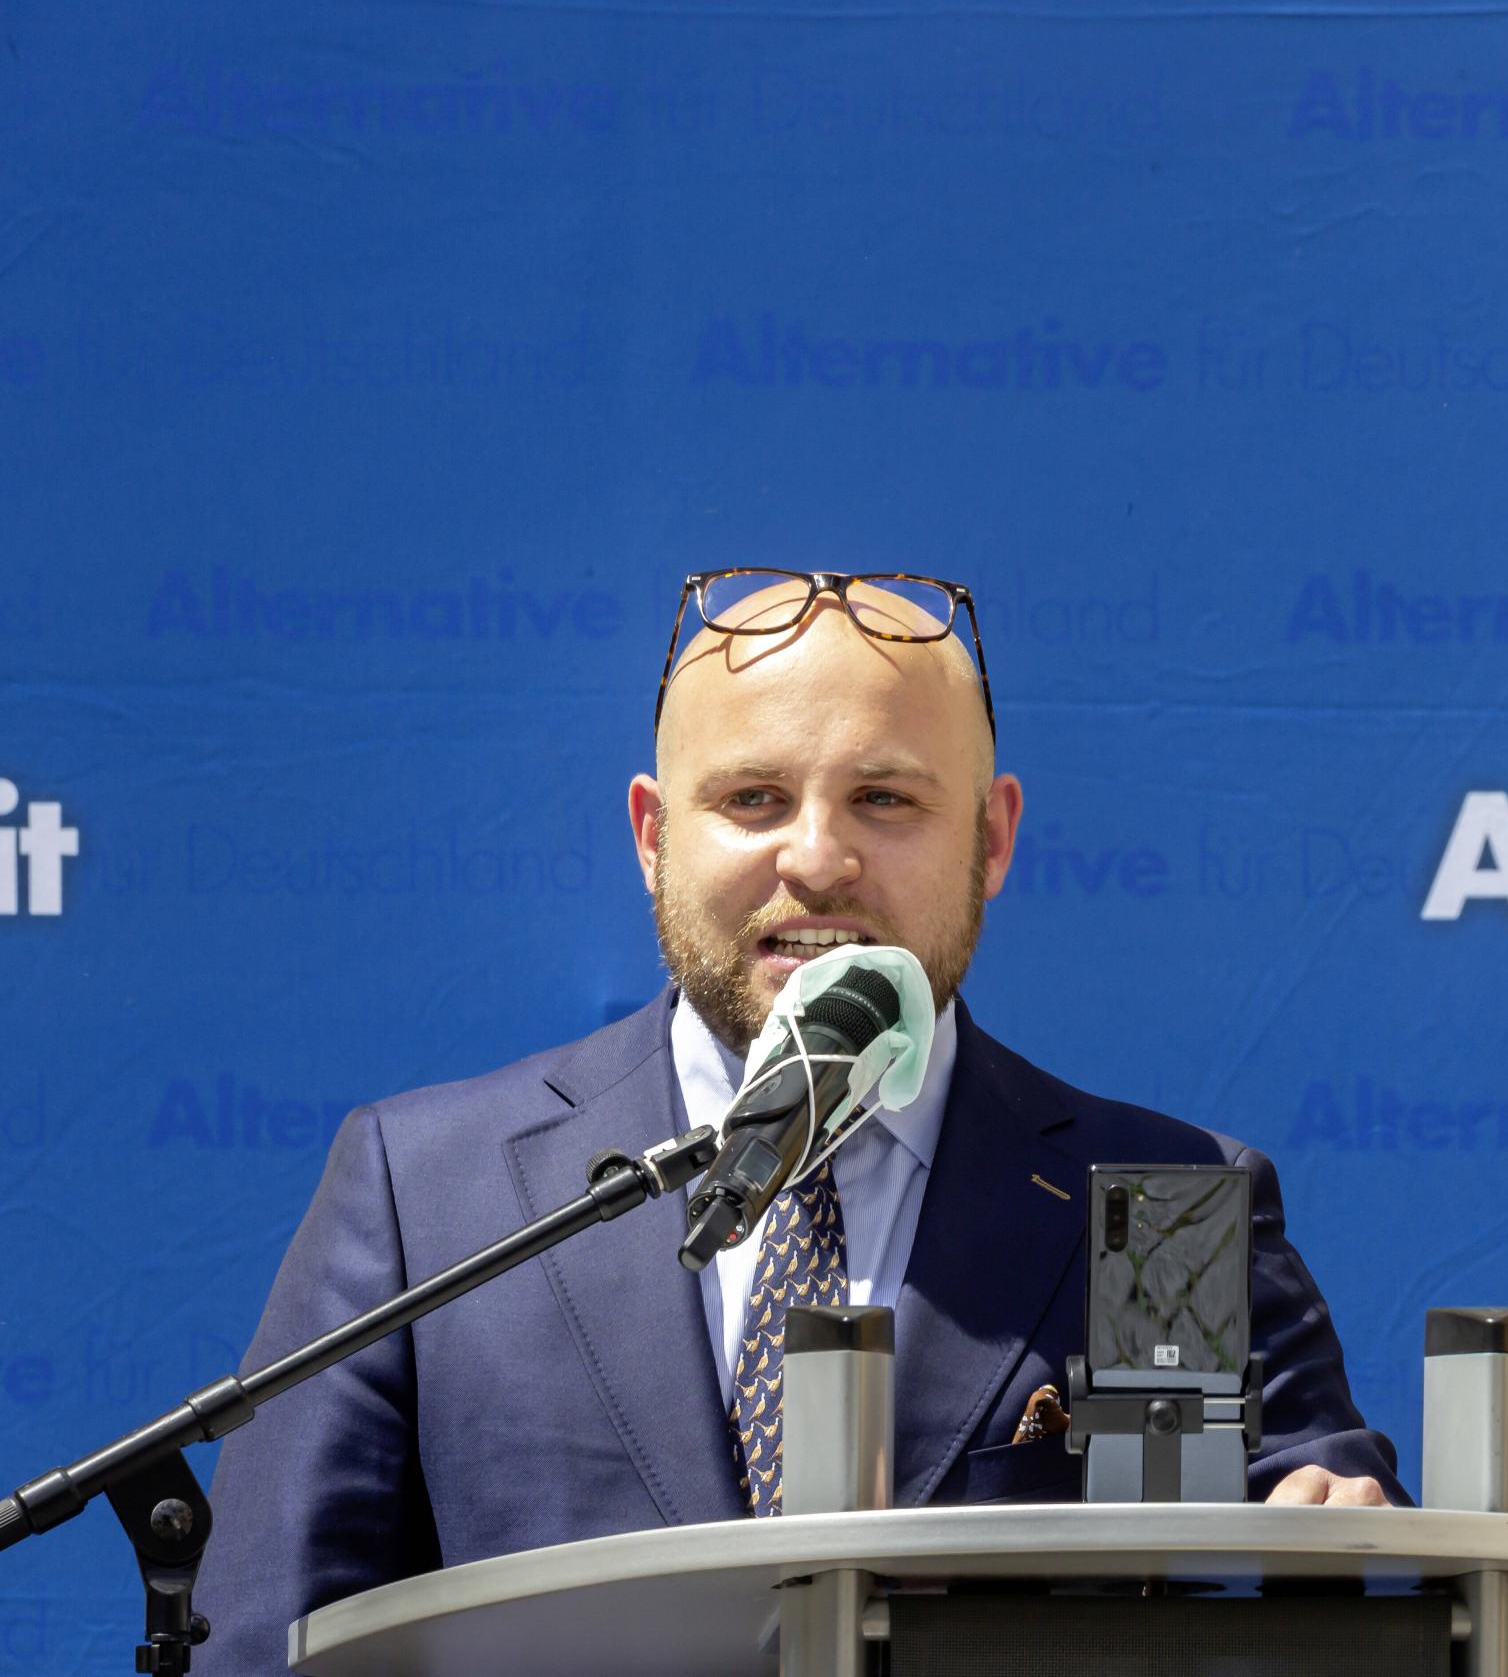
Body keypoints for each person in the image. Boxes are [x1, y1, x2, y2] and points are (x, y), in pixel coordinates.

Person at [195, 571, 1399, 1675]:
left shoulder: (1153, 1203)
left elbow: (1312, 1558)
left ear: (991, 838)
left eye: (883, 799)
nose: (817, 860)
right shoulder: (432, 1194)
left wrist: (1337, 1534)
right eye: (753, 797)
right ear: (654, 837)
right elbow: (268, 1642)